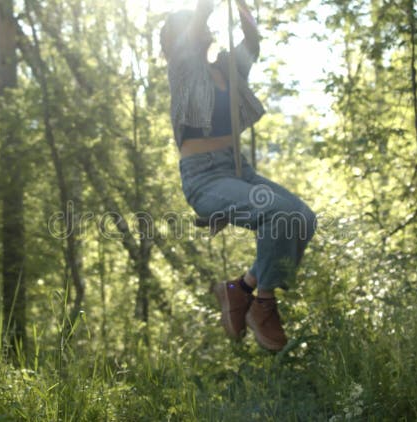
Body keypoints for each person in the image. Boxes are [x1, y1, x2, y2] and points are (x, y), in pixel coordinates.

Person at [161, 0, 316, 351]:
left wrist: (244, 9)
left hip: (236, 169)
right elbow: (200, 15)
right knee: (276, 214)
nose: (201, 28)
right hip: (205, 178)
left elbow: (252, 43)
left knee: (302, 219)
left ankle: (240, 289)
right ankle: (263, 305)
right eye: (191, 27)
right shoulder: (182, 68)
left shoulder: (227, 68)